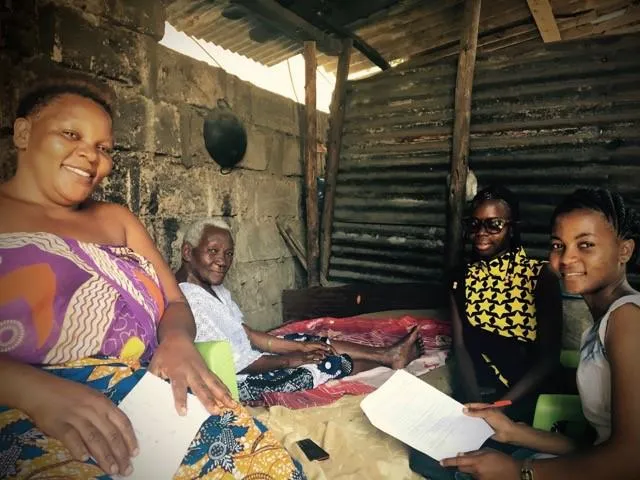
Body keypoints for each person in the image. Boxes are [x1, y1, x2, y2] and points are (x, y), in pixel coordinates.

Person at [0, 77, 305, 479]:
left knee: (260, 463)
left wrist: (177, 341)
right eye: (70, 134)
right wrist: (33, 391)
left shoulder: (117, 220)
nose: (90, 156)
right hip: (30, 406)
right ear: (24, 133)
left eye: (103, 148)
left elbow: (174, 301)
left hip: (149, 391)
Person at [441, 188, 640, 479]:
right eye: (559, 245)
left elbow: (631, 459)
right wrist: (516, 433)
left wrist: (520, 471)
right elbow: (598, 444)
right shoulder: (603, 323)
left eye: (585, 245)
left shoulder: (627, 319)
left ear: (624, 250)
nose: (567, 258)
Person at [175, 219, 424, 403]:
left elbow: (247, 334)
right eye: (213, 251)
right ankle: (383, 360)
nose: (223, 261)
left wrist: (299, 348)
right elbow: (232, 363)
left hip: (251, 358)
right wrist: (290, 359)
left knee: (312, 344)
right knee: (317, 366)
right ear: (188, 251)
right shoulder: (186, 300)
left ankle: (386, 354)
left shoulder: (215, 290)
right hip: (236, 379)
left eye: (228, 254)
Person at [450, 186, 563, 423]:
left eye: (494, 225)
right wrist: (475, 407)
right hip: (481, 393)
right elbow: (460, 347)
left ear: (512, 228)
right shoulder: (459, 278)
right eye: (475, 224)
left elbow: (548, 359)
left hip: (526, 395)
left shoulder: (539, 276)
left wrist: (500, 408)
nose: (482, 232)